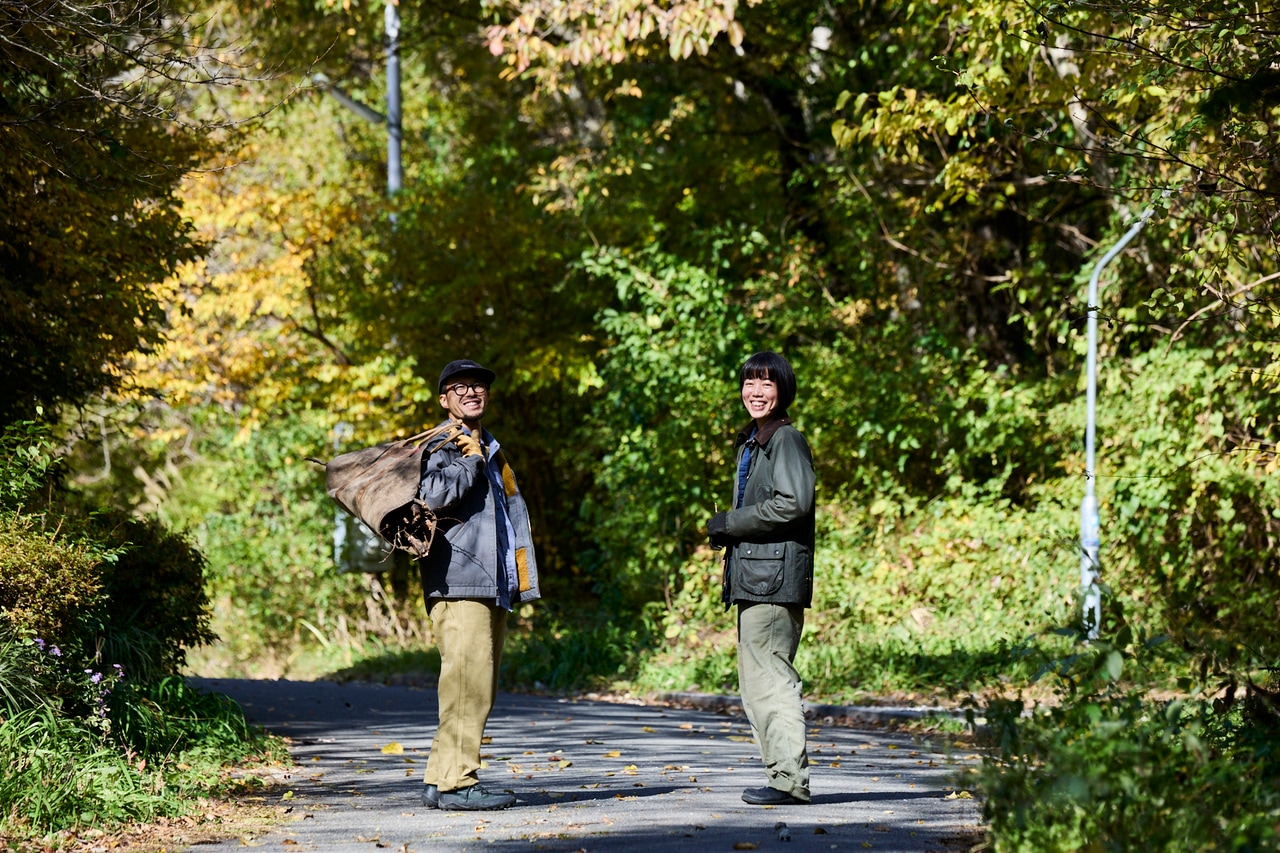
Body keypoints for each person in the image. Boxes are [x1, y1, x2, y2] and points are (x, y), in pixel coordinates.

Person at [415, 358, 540, 811]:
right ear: (444, 398)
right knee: (468, 684)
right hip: (459, 582)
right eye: (460, 387)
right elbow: (429, 497)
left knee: (472, 684)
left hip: (489, 582)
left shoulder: (487, 446)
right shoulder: (442, 443)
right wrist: (469, 461)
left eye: (479, 387)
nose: (472, 393)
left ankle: (440, 777)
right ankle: (457, 783)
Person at [706, 351, 816, 806]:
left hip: (772, 580)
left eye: (766, 384)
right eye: (749, 383)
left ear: (782, 390)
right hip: (757, 577)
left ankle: (789, 781)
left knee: (770, 680)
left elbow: (794, 503)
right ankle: (781, 777)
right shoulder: (755, 440)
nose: (755, 392)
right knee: (757, 684)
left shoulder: (785, 439)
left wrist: (730, 522)